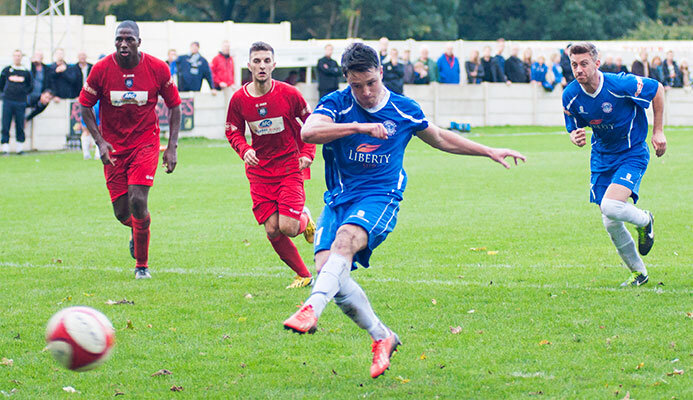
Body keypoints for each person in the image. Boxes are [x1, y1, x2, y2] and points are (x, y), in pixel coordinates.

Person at [283, 42, 526, 378]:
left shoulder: (403, 109)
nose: (366, 93)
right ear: (346, 81)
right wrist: (359, 127)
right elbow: (308, 131)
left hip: (380, 197)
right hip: (338, 199)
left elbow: (440, 138)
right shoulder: (336, 105)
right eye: (356, 86)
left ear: (381, 72)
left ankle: (311, 308)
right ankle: (383, 337)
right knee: (332, 275)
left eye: (371, 83)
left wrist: (488, 150)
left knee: (344, 242)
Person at [79, 20, 182, 279]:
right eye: (119, 39)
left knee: (138, 199)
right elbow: (84, 106)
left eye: (129, 39)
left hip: (145, 143)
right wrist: (100, 142)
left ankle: (142, 266)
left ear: (138, 42)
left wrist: (172, 147)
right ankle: (138, 228)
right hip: (113, 148)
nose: (123, 44)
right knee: (122, 212)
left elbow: (175, 106)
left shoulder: (158, 68)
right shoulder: (101, 70)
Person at [562, 42, 666, 287]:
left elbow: (657, 89)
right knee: (610, 219)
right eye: (574, 64)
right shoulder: (570, 95)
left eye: (584, 64)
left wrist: (658, 131)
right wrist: (574, 135)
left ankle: (645, 220)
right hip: (601, 157)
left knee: (610, 206)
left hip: (632, 153)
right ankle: (639, 273)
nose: (579, 70)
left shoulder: (620, 85)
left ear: (597, 64)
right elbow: (573, 122)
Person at [225, 41, 317, 289]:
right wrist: (245, 150)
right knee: (272, 229)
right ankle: (304, 274)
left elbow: (311, 123)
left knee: (287, 226)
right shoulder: (238, 99)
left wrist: (308, 152)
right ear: (249, 66)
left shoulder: (289, 93)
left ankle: (305, 218)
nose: (262, 65)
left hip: (289, 167)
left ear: (274, 65)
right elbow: (232, 131)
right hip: (260, 172)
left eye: (266, 61)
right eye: (257, 61)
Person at [1, 50, 33, 155]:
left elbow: (30, 86)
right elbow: (1, 84)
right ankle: (5, 147)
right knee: (6, 123)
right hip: (8, 101)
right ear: (12, 57)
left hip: (20, 102)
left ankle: (19, 148)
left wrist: (23, 93)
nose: (17, 58)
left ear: (21, 57)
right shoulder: (6, 70)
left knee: (20, 123)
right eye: (15, 56)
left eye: (19, 56)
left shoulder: (26, 72)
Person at [76, 51, 97, 160]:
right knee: (88, 129)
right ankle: (88, 154)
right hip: (91, 104)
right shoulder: (95, 74)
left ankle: (92, 154)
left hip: (92, 103)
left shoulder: (94, 71)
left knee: (90, 129)